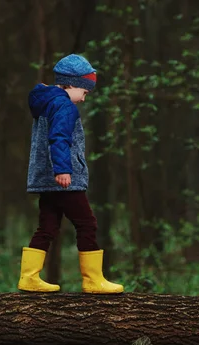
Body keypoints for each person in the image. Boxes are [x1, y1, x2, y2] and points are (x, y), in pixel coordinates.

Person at [17, 54, 124, 294]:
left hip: (47, 179)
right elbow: (59, 138)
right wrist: (64, 170)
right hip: (64, 180)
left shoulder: (47, 102)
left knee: (47, 227)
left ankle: (29, 277)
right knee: (87, 223)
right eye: (84, 93)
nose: (83, 99)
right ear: (72, 84)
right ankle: (93, 280)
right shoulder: (64, 105)